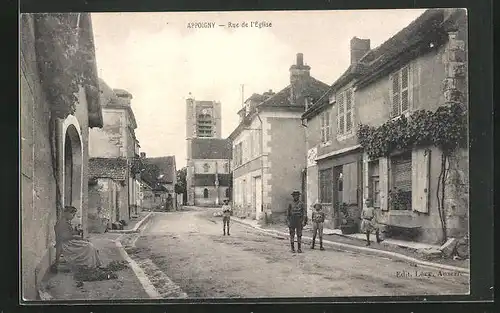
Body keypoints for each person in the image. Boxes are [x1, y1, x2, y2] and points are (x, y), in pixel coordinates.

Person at [53, 206, 102, 270]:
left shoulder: (66, 222)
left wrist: (76, 233)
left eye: (74, 215)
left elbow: (70, 234)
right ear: (66, 213)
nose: (73, 216)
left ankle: (92, 264)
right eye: (72, 214)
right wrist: (77, 237)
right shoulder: (61, 223)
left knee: (89, 244)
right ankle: (88, 264)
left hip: (70, 242)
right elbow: (64, 237)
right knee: (89, 246)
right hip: (67, 244)